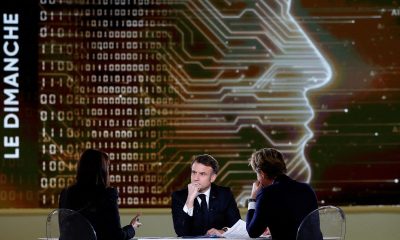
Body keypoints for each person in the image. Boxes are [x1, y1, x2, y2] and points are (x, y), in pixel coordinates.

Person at [59, 149, 141, 240]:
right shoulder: (107, 194)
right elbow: (117, 236)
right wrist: (131, 228)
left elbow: (66, 231)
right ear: (103, 171)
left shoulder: (65, 194)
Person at [246, 148, 320, 240]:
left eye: (257, 173)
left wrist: (253, 198)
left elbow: (252, 232)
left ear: (262, 173)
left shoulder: (267, 194)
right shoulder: (307, 188)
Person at [171, 154, 241, 237]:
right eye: (194, 172)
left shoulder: (225, 194)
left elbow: (237, 227)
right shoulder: (178, 196)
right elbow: (181, 231)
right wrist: (190, 200)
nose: (196, 178)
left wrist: (222, 231)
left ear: (212, 178)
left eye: (202, 174)